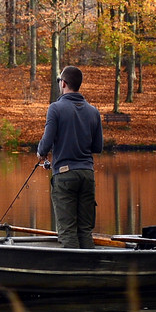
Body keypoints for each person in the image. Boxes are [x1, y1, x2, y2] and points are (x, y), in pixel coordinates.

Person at [36, 64, 103, 249]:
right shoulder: (94, 111)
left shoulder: (55, 108)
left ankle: (72, 273)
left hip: (65, 176)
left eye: (60, 81)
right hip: (87, 175)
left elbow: (46, 144)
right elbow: (98, 147)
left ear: (63, 83)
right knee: (84, 230)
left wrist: (40, 152)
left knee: (67, 230)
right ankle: (90, 271)